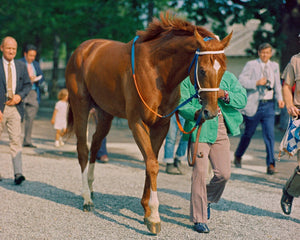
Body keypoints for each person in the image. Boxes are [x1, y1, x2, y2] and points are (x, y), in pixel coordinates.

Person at [179, 71, 247, 233]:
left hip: (221, 129)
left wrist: (224, 94)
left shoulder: (228, 77)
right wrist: (195, 113)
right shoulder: (189, 79)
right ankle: (199, 219)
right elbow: (181, 104)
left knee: (224, 174)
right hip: (199, 128)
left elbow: (242, 99)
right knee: (200, 174)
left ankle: (206, 200)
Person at [234, 43, 285, 174]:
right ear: (259, 52)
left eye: (267, 52)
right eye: (263, 52)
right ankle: (238, 155)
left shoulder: (274, 66)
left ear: (271, 53)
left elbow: (278, 85)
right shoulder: (251, 64)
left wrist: (280, 99)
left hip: (268, 105)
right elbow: (241, 81)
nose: (265, 55)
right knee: (248, 134)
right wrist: (256, 83)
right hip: (254, 105)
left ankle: (271, 164)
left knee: (269, 135)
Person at [0, 36, 31, 185]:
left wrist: (20, 96)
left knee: (16, 141)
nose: (11, 51)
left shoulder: (20, 66)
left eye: (13, 48)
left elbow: (27, 85)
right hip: (0, 108)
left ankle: (18, 173)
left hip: (15, 109)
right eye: (8, 48)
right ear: (2, 48)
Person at [280, 33, 300, 215]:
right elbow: (287, 85)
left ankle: (289, 191)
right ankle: (289, 191)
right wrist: (289, 104)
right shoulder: (296, 60)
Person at [20, 44, 44, 148]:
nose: (32, 58)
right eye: (30, 55)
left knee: (30, 118)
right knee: (18, 117)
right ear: (25, 54)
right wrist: (27, 78)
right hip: (21, 92)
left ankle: (27, 141)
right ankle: (16, 139)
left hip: (33, 92)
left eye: (34, 56)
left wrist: (37, 79)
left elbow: (42, 78)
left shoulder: (36, 64)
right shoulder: (19, 63)